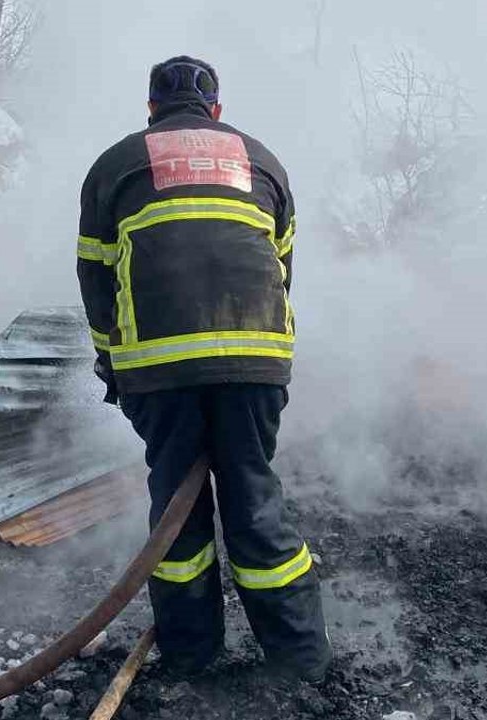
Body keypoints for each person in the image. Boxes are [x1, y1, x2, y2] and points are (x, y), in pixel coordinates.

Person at [75, 56, 331, 682]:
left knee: (177, 511)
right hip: (255, 364)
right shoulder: (263, 160)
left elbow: (96, 280)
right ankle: (301, 661)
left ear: (151, 110)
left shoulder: (114, 165)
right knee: (253, 497)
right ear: (216, 111)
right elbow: (281, 271)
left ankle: (191, 656)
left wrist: (113, 366)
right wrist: (258, 357)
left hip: (159, 372)